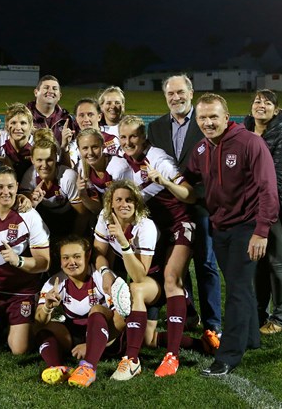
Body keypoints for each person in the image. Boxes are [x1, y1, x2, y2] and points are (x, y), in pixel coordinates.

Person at [180, 93, 278, 376]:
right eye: (203, 118)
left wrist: (261, 230)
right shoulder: (201, 148)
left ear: (226, 117)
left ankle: (227, 356)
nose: (208, 122)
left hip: (247, 227)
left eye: (214, 116)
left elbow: (268, 188)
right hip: (219, 227)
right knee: (240, 285)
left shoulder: (250, 143)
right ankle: (251, 338)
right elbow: (189, 177)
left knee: (236, 289)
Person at [94, 180, 219, 380]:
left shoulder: (145, 226)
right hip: (144, 281)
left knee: (135, 289)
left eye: (129, 200)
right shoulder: (105, 217)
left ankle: (132, 361)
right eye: (118, 200)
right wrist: (105, 271)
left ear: (137, 204)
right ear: (110, 203)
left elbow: (140, 275)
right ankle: (201, 344)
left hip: (156, 280)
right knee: (148, 339)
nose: (124, 204)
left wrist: (124, 243)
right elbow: (99, 252)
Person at [111, 115, 198, 377]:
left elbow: (191, 195)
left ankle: (172, 356)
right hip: (152, 234)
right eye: (123, 137)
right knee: (148, 335)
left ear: (144, 136)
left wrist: (165, 182)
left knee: (171, 279)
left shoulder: (158, 158)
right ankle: (197, 341)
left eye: (133, 136)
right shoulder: (120, 161)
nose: (128, 142)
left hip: (178, 227)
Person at [148, 74, 221, 334]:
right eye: (170, 93)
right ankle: (189, 314)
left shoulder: (204, 122)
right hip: (169, 208)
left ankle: (213, 323)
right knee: (175, 263)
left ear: (191, 93)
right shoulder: (156, 127)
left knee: (205, 263)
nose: (176, 97)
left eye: (180, 92)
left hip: (200, 203)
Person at [0, 166, 50, 354]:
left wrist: (19, 261)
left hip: (21, 292)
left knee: (19, 349)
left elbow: (44, 262)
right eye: (0, 187)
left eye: (10, 187)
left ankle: (23, 323)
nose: (6, 192)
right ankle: (2, 324)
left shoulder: (30, 217)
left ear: (17, 186)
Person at [36, 235, 126, 388]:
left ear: (88, 255)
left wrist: (89, 345)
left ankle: (89, 367)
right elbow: (39, 320)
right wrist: (47, 307)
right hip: (75, 337)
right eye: (66, 258)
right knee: (41, 328)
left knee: (97, 309)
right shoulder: (55, 282)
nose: (71, 262)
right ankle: (57, 368)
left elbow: (121, 318)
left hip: (108, 338)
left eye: (77, 257)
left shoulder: (102, 278)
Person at [244, 89, 282, 334]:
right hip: (250, 207)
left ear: (275, 111)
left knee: (276, 262)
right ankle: (259, 313)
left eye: (267, 103)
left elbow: (277, 178)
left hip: (275, 206)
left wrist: (268, 210)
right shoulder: (244, 130)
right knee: (257, 261)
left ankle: (279, 318)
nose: (261, 105)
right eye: (258, 101)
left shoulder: (280, 133)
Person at [20, 138, 89, 239]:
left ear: (56, 158)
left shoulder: (68, 177)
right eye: (39, 160)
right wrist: (32, 203)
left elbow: (83, 214)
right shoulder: (29, 177)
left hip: (71, 216)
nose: (44, 165)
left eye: (49, 160)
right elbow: (23, 210)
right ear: (32, 160)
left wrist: (74, 239)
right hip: (46, 215)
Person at [26, 75, 77, 149]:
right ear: (36, 92)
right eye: (46, 88)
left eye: (54, 89)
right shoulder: (23, 117)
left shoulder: (67, 119)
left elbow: (74, 149)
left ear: (59, 96)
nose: (50, 91)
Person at [0, 102, 34, 181]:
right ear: (7, 126)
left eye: (23, 123)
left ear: (30, 126)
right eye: (13, 123)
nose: (18, 127)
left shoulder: (38, 145)